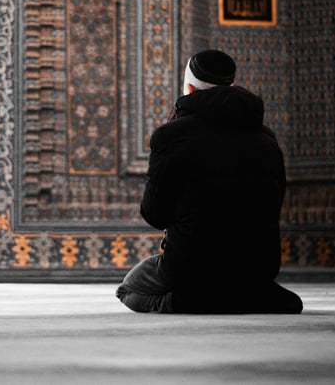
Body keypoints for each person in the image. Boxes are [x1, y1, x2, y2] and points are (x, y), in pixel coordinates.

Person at [116, 49, 302, 314]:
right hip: (257, 268)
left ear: (190, 89)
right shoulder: (267, 139)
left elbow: (155, 214)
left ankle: (182, 302)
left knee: (127, 289)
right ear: (232, 87)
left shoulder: (171, 136)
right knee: (279, 298)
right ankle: (242, 297)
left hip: (190, 267)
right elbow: (274, 206)